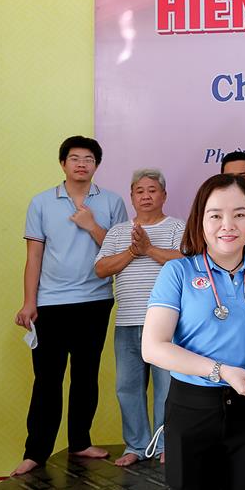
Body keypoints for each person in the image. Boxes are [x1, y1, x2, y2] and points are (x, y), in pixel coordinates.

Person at [142, 174, 245, 490]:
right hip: (191, 407)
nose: (228, 225)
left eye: (239, 214)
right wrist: (221, 371)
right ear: (200, 220)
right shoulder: (177, 272)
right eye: (215, 215)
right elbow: (153, 347)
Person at [12, 135, 128, 476]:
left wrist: (92, 226)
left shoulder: (112, 201)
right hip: (50, 303)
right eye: (75, 158)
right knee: (47, 380)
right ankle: (36, 452)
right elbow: (34, 256)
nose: (81, 164)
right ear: (63, 163)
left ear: (96, 165)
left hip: (95, 301)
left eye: (89, 159)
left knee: (85, 376)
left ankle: (80, 441)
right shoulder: (41, 202)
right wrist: (29, 302)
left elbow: (119, 251)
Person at [94, 169, 184, 466]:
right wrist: (133, 252)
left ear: (164, 195)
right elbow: (101, 268)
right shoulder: (118, 232)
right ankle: (136, 445)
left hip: (167, 324)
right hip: (127, 322)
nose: (146, 196)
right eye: (140, 191)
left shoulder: (177, 227)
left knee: (167, 388)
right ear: (132, 197)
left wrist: (149, 249)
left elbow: (186, 260)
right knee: (128, 388)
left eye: (152, 190)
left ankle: (164, 445)